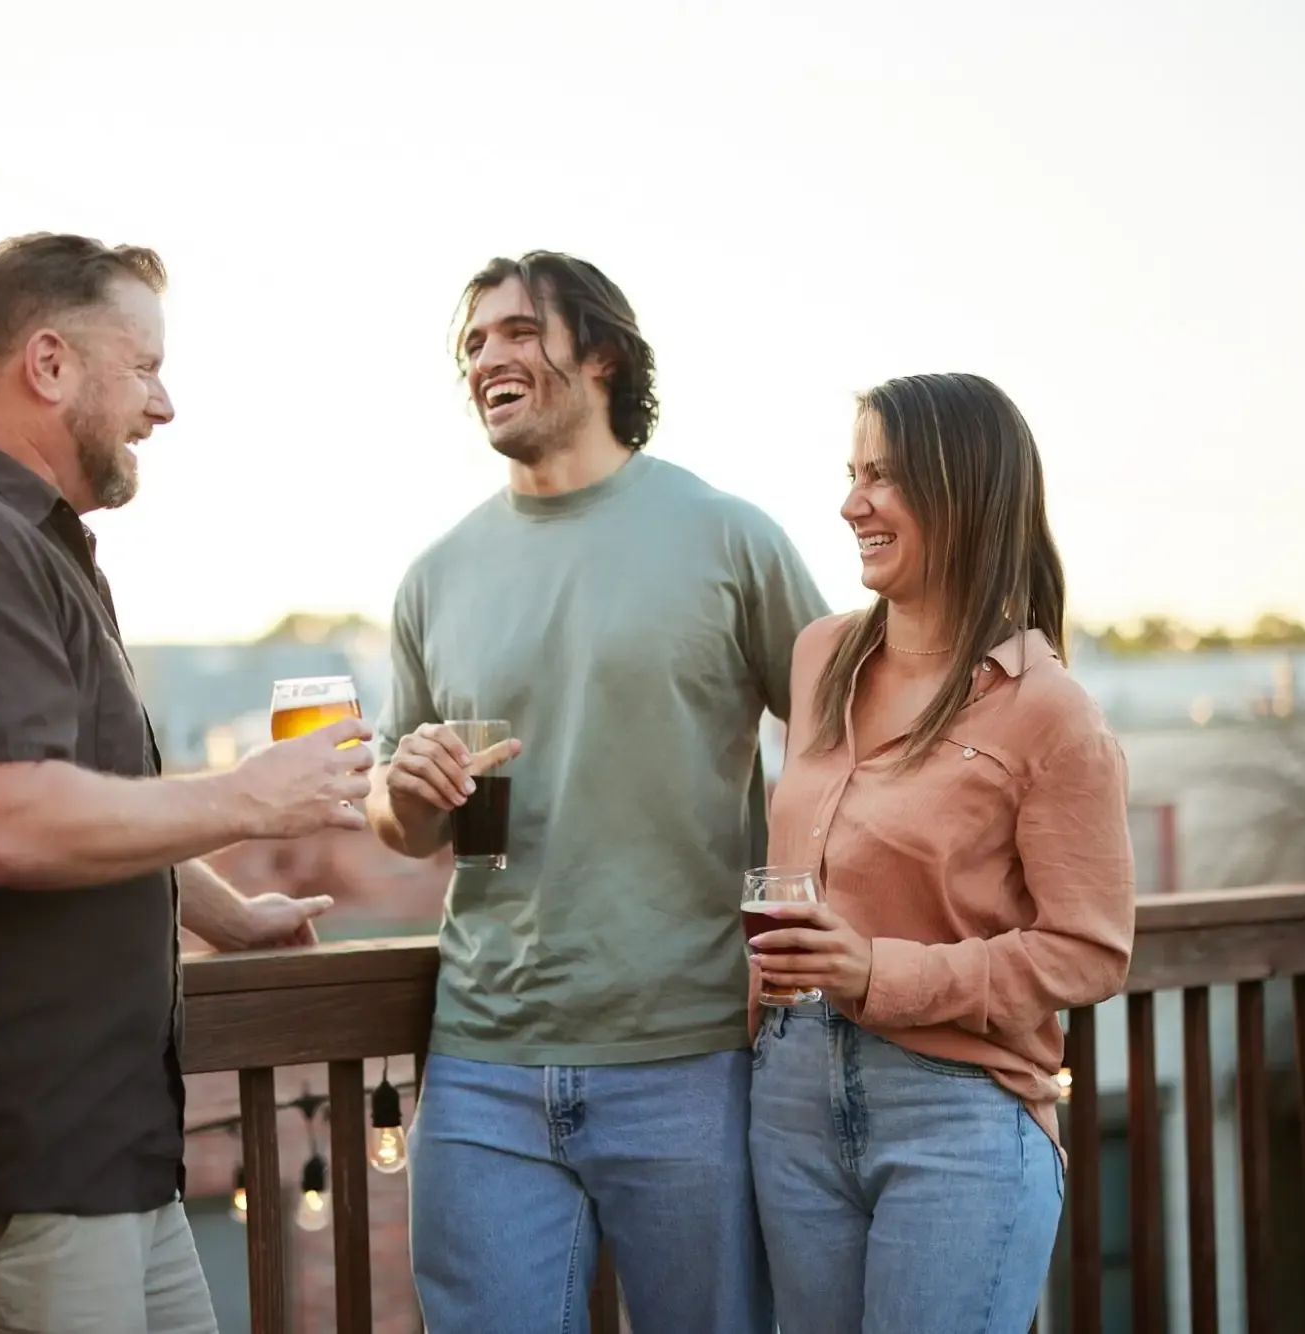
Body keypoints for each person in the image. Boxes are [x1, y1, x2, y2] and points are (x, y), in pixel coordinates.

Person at [0, 232, 375, 1334]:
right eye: (146, 366)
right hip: (7, 1171)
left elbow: (79, 797)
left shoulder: (30, 546)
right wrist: (249, 795)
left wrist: (223, 912)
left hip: (92, 1157)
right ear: (50, 363)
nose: (164, 405)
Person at [368, 250, 829, 1334]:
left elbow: (840, 739)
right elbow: (397, 825)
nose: (489, 356)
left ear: (603, 354)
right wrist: (408, 788)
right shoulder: (433, 575)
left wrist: (810, 928)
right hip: (480, 1057)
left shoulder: (726, 536)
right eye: (473, 342)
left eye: (519, 331)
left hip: (690, 1049)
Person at [744, 372, 1136, 1334]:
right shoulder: (818, 657)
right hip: (788, 1096)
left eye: (882, 476)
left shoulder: (1050, 712)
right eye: (851, 474)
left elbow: (1090, 951)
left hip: (955, 1117)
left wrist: (880, 969)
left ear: (962, 491)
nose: (851, 504)